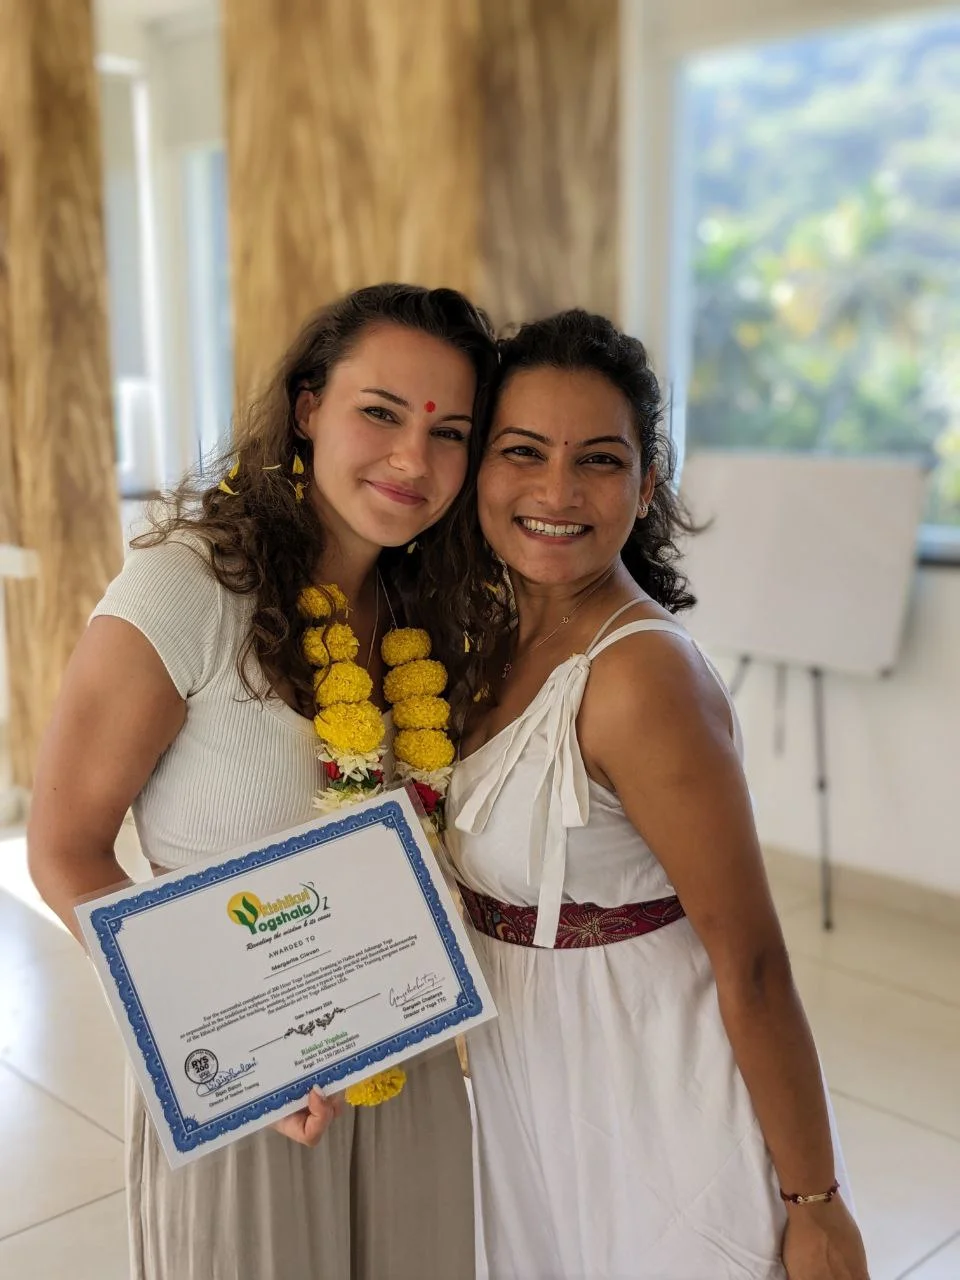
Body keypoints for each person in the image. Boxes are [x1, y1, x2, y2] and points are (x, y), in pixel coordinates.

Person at [28, 283, 498, 1280]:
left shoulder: (434, 605)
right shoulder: (189, 586)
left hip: (407, 1052)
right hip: (246, 1079)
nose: (414, 459)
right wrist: (220, 1039)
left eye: (449, 429)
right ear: (308, 408)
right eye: (380, 411)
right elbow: (62, 845)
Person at [444, 309, 871, 1279]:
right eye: (522, 451)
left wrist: (816, 1204)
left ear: (645, 485)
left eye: (598, 459)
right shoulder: (490, 639)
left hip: (651, 1090)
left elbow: (753, 961)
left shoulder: (644, 677)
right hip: (533, 1085)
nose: (557, 490)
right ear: (479, 469)